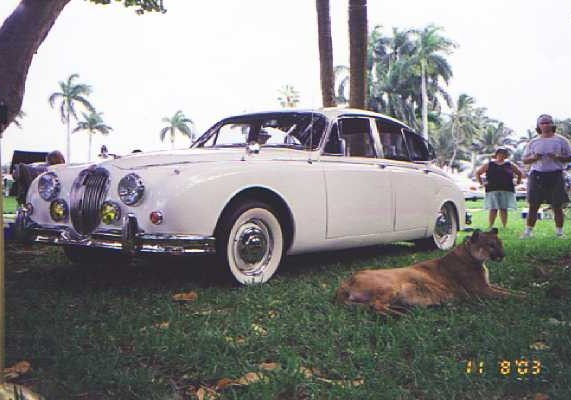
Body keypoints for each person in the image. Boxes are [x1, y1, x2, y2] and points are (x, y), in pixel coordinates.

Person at [521, 114, 571, 238]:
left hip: (556, 174)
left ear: (552, 124)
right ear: (538, 126)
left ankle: (559, 232)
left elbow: (569, 157)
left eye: (547, 122)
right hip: (537, 175)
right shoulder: (533, 142)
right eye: (542, 123)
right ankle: (528, 232)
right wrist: (534, 157)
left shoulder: (561, 140)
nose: (545, 125)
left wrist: (558, 157)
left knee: (557, 205)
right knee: (533, 204)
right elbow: (525, 160)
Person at [476, 147, 524, 228]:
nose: (501, 156)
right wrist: (482, 183)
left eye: (503, 154)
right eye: (499, 154)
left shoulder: (510, 164)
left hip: (506, 189)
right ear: (496, 155)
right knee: (493, 208)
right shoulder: (489, 164)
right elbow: (478, 173)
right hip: (492, 189)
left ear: (506, 156)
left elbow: (519, 173)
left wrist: (518, 182)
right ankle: (490, 225)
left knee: (503, 208)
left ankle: (504, 226)